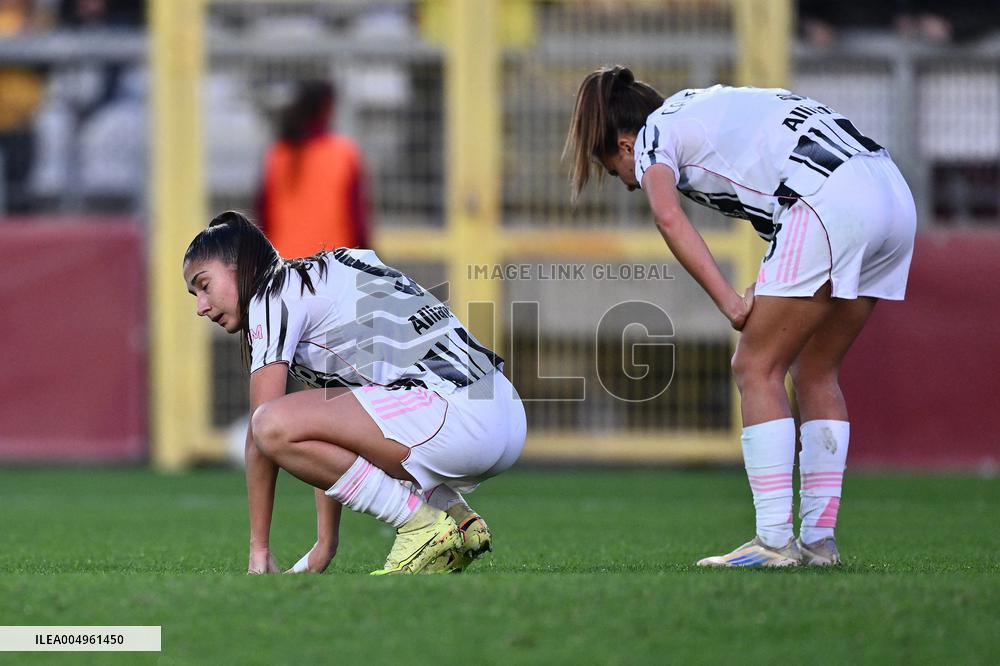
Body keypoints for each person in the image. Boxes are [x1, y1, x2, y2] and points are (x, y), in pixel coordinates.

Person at [564, 66, 916, 567]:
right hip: (891, 193)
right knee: (816, 370)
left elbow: (668, 216)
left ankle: (774, 542)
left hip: (826, 199)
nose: (628, 183)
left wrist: (731, 302)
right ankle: (819, 543)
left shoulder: (654, 135)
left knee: (754, 367)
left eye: (613, 170)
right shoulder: (702, 104)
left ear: (624, 146)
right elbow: (778, 196)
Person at [182, 211, 525, 575]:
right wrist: (324, 546)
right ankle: (459, 520)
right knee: (294, 420)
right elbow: (333, 425)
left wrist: (259, 550)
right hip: (503, 408)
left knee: (269, 424)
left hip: (456, 420)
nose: (201, 307)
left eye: (204, 285)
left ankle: (420, 524)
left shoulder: (272, 296)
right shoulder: (328, 271)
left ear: (242, 265)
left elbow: (262, 435)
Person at [258, 80, 370, 258]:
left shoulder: (278, 154)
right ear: (327, 108)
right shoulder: (344, 153)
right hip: (332, 266)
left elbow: (263, 217)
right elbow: (357, 221)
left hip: (286, 268)